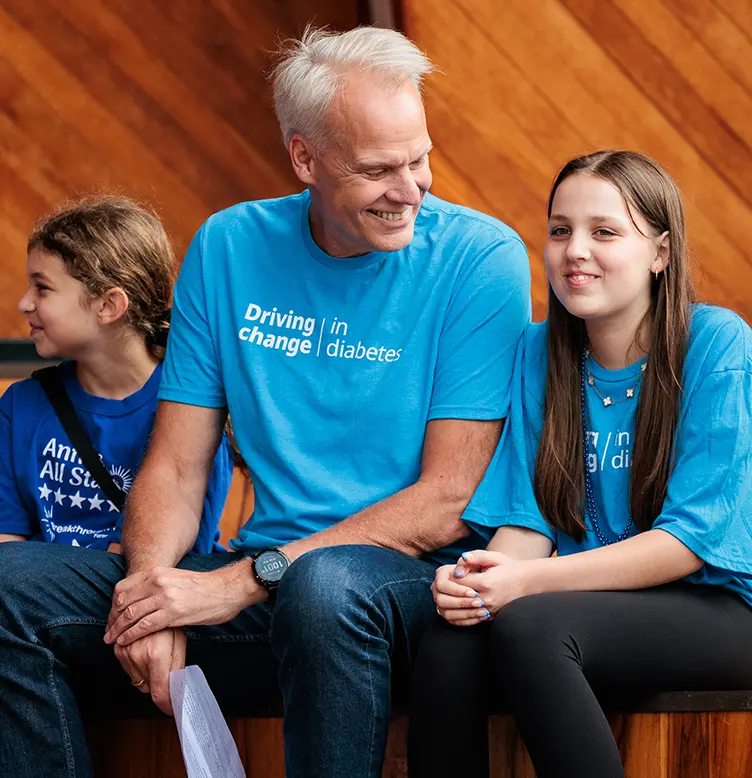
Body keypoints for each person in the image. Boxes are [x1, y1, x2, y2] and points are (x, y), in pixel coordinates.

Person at [0, 26, 531, 778]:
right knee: (7, 589)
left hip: (406, 590)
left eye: (420, 158)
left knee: (324, 586)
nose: (413, 189)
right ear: (305, 158)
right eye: (381, 169)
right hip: (262, 589)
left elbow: (446, 500)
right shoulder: (229, 246)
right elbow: (177, 469)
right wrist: (149, 595)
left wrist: (235, 584)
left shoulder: (482, 259)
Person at [408, 150, 752, 778]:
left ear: (661, 252)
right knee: (449, 642)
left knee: (532, 628)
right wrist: (479, 579)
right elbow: (531, 519)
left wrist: (523, 585)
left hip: (719, 608)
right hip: (586, 604)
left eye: (605, 232)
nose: (575, 251)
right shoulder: (540, 352)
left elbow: (691, 542)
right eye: (561, 230)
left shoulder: (716, 343)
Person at [0, 196, 232, 552]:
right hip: (33, 599)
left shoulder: (190, 410)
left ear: (109, 305)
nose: (24, 303)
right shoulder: (19, 406)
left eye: (42, 287)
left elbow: (152, 562)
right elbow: (7, 547)